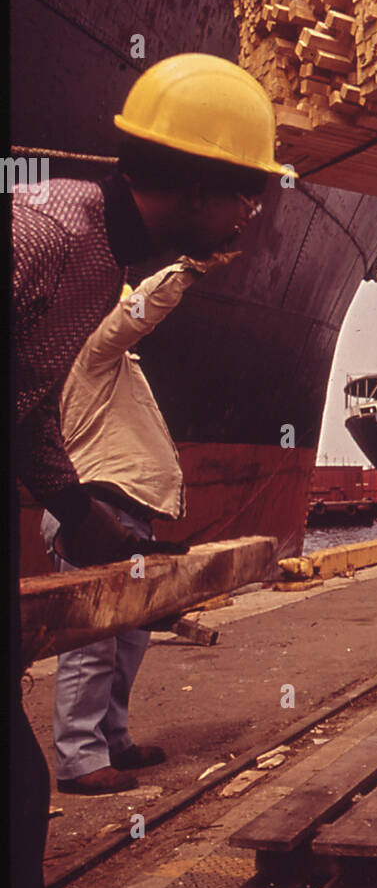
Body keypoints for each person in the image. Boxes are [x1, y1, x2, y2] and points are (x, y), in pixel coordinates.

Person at [10, 52, 284, 888]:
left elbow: (21, 397)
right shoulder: (45, 234)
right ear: (198, 188)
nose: (252, 212)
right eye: (245, 191)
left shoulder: (95, 256)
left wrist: (67, 500)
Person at [44, 259, 232, 795]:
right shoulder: (91, 349)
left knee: (129, 637)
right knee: (93, 640)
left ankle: (112, 740)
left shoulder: (110, 365)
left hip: (123, 515)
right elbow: (136, 314)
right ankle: (79, 760)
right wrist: (191, 265)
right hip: (95, 516)